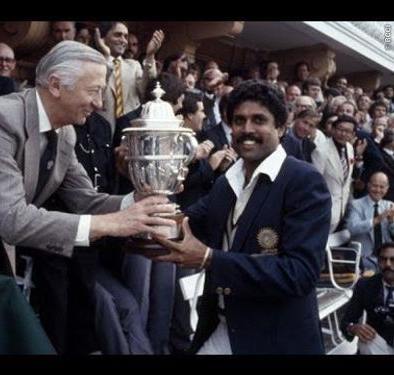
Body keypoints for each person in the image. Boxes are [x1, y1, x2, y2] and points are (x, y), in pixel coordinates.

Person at [0, 41, 176, 277]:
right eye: (93, 92)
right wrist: (112, 223)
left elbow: (85, 200)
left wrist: (137, 203)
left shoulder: (65, 133)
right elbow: (13, 219)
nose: (99, 104)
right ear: (55, 85)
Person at [149, 80, 332, 354]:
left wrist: (211, 259)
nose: (247, 129)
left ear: (280, 128)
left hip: (275, 339)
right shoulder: (227, 182)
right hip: (222, 329)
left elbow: (300, 274)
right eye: (239, 120)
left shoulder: (304, 181)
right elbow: (184, 223)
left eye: (259, 120)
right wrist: (144, 198)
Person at [340, 242, 394, 354]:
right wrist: (353, 328)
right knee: (365, 342)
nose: (388, 264)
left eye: (393, 259)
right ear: (378, 261)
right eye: (383, 259)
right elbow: (346, 321)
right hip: (376, 345)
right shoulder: (365, 285)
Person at [346, 172, 394, 273]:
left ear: (387, 188)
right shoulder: (355, 205)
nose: (378, 190)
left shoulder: (390, 205)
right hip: (364, 258)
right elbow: (351, 228)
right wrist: (376, 220)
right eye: (375, 186)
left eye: (382, 187)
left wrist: (391, 223)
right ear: (368, 185)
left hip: (387, 258)